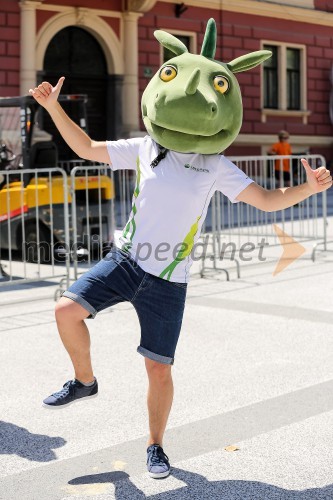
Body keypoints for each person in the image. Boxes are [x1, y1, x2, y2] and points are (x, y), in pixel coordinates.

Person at [29, 19, 332, 479]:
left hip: (168, 279)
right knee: (65, 311)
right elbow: (87, 146)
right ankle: (85, 381)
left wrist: (306, 191)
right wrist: (53, 107)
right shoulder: (147, 147)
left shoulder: (216, 164)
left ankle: (155, 447)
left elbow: (268, 201)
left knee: (159, 370)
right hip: (125, 261)